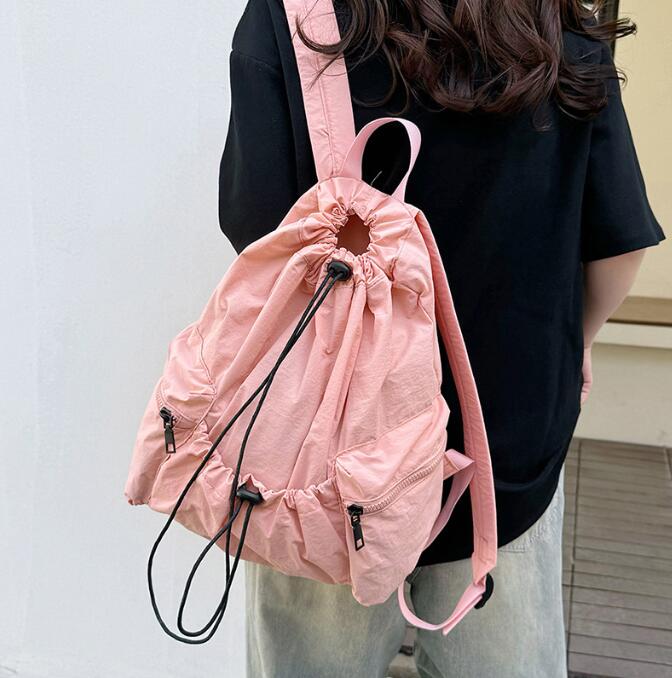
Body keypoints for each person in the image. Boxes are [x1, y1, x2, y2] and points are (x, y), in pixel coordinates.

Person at [217, 1, 665, 676]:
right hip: (504, 458)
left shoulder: (296, 16)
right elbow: (620, 245)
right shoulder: (556, 20)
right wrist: (579, 342)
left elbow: (256, 230)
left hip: (331, 461)